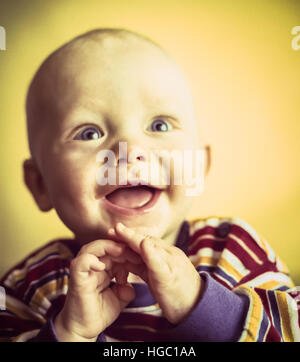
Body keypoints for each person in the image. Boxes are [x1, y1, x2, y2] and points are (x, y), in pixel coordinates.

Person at [0, 28, 299, 342]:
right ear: (40, 184)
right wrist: (69, 332)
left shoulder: (235, 252)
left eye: (159, 125)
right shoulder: (30, 286)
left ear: (200, 163)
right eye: (88, 133)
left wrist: (203, 305)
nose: (129, 150)